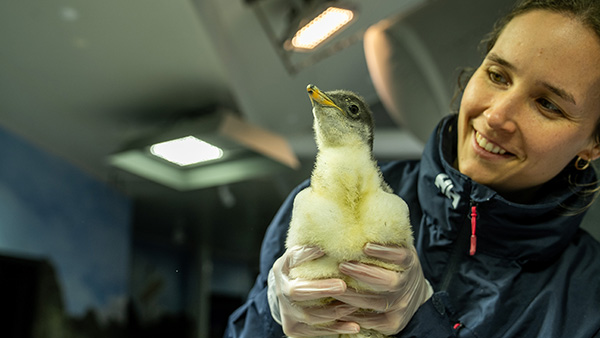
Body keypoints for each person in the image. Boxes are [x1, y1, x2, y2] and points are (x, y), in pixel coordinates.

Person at [225, 0, 600, 336]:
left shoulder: (588, 301)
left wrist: (423, 321)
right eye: (498, 75)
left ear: (592, 144)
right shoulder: (315, 203)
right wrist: (271, 316)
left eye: (548, 104)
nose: (497, 115)